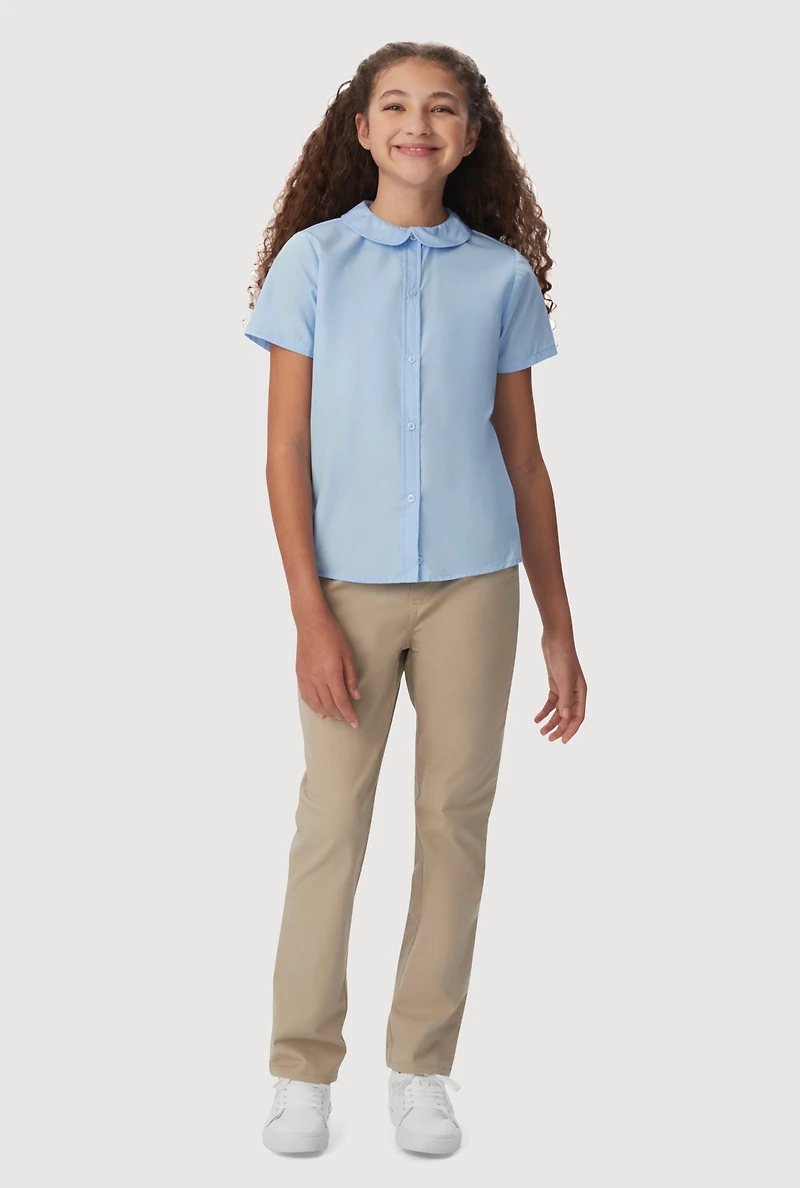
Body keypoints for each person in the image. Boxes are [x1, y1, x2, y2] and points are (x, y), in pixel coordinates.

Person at [244, 41, 587, 1157]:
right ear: (361, 129)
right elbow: (284, 450)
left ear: (470, 136)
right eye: (395, 105)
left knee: (453, 822)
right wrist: (308, 614)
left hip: (474, 587)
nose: (417, 124)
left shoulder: (499, 278)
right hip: (346, 587)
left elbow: (524, 461)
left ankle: (421, 1069)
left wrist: (559, 627)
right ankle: (301, 1070)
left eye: (441, 109)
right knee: (330, 821)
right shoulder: (312, 264)